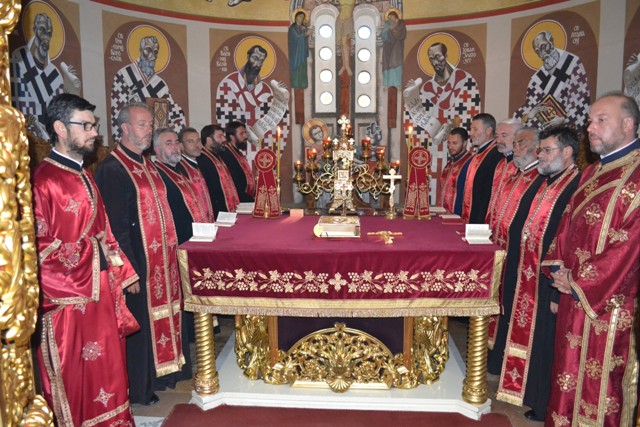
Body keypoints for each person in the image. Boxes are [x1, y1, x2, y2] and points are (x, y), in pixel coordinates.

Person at [33, 93, 139, 425]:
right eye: (87, 126)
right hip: (67, 306)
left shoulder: (85, 175)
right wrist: (95, 253)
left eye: (94, 125)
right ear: (60, 128)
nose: (95, 133)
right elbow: (37, 249)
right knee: (76, 382)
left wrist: (123, 272)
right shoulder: (42, 181)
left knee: (108, 375)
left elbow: (105, 231)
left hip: (100, 295)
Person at [543, 93, 639, 426]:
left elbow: (631, 243)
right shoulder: (592, 171)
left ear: (627, 124)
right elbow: (567, 222)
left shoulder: (637, 174)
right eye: (589, 121)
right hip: (574, 296)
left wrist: (578, 280)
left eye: (601, 120)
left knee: (600, 388)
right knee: (567, 375)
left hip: (612, 306)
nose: (590, 128)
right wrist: (559, 271)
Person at [95, 102, 185, 406]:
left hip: (161, 260)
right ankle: (139, 387)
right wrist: (127, 270)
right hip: (138, 264)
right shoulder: (112, 169)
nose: (148, 130)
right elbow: (113, 226)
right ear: (124, 128)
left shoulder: (147, 164)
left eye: (150, 125)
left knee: (160, 318)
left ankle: (163, 374)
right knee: (140, 327)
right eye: (142, 124)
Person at [492, 127, 580, 422]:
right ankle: (534, 397)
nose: (540, 155)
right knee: (536, 336)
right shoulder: (548, 181)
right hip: (531, 273)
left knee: (545, 341)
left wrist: (557, 288)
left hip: (552, 280)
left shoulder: (574, 185)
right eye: (540, 149)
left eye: (546, 150)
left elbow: (569, 239)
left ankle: (544, 404)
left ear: (567, 152)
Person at [110, 35, 186, 139]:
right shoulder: (124, 75)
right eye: (148, 50)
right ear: (140, 50)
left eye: (155, 52)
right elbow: (117, 114)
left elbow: (174, 112)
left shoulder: (160, 84)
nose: (152, 56)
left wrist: (175, 135)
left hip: (153, 140)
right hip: (132, 138)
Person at [514, 30, 590, 129]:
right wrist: (529, 116)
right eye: (538, 51)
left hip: (567, 132)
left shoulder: (571, 64)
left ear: (551, 43)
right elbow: (528, 108)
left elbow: (581, 102)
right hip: (547, 132)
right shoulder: (536, 80)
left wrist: (564, 120)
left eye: (543, 46)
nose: (542, 53)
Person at [10, 13, 64, 139]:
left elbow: (59, 114)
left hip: (47, 141)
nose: (45, 37)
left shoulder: (55, 75)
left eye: (49, 33)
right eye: (42, 30)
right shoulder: (18, 60)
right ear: (34, 30)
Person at [489, 127, 541, 249]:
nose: (514, 149)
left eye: (521, 144)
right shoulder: (515, 176)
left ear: (537, 147)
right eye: (514, 144)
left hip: (519, 246)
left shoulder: (540, 179)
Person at [460, 113, 502, 224]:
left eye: (475, 129)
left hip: (482, 218)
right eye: (471, 129)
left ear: (488, 130)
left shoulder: (496, 154)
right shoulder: (479, 152)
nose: (471, 134)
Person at [486, 119, 522, 234]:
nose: (499, 140)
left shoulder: (522, 166)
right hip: (493, 224)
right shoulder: (501, 162)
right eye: (497, 136)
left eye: (504, 135)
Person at [198, 124, 240, 217]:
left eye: (223, 136)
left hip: (227, 210)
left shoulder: (219, 156)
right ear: (209, 140)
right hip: (217, 212)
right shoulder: (202, 160)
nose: (224, 139)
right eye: (220, 136)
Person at [178, 127, 214, 223]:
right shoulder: (179, 169)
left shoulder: (199, 164)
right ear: (181, 146)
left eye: (198, 141)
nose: (197, 145)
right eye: (191, 142)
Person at [438, 127, 471, 214]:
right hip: (444, 214)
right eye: (449, 143)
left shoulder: (470, 163)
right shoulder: (449, 164)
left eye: (454, 143)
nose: (450, 147)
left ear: (465, 143)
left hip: (459, 215)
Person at [221, 121, 255, 202]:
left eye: (245, 133)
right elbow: (233, 182)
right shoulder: (226, 154)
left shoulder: (238, 152)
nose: (246, 136)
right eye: (241, 134)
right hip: (239, 200)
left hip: (246, 198)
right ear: (232, 137)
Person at [381, 10, 406, 88]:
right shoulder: (388, 25)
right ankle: (387, 84)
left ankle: (397, 83)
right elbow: (383, 35)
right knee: (387, 65)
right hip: (387, 48)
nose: (390, 19)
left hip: (397, 47)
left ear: (395, 17)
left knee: (396, 63)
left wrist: (393, 29)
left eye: (392, 17)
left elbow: (401, 34)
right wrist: (388, 28)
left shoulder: (401, 24)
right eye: (389, 17)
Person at [288, 10, 312, 89]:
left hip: (302, 53)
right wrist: (306, 34)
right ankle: (296, 84)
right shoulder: (292, 28)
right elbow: (296, 37)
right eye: (300, 16)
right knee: (296, 68)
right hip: (295, 53)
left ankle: (302, 84)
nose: (301, 18)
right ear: (296, 17)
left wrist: (306, 33)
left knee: (303, 68)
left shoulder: (302, 28)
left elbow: (304, 40)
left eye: (302, 17)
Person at [337, 0, 355, 76]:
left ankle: (347, 66)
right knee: (342, 44)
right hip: (339, 20)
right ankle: (344, 65)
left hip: (348, 20)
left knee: (345, 43)